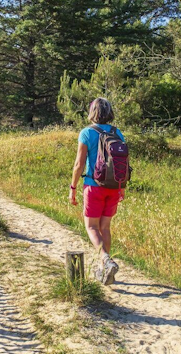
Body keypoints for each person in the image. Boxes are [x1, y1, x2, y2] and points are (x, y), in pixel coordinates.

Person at [69, 97, 125, 285]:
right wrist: (122, 187)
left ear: (92, 112)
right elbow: (123, 163)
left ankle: (106, 261)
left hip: (94, 186)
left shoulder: (86, 133)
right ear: (109, 112)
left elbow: (78, 164)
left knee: (91, 227)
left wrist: (73, 187)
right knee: (105, 227)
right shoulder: (118, 133)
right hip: (114, 187)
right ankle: (105, 270)